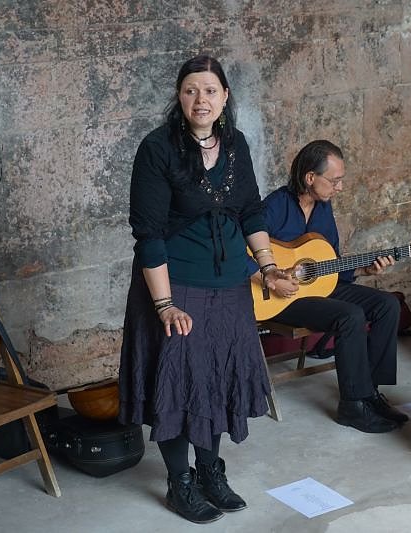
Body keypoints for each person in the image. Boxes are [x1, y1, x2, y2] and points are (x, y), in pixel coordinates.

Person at [118, 55, 289, 524]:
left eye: (210, 90)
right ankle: (180, 482)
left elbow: (251, 211)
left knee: (215, 380)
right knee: (178, 384)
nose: (201, 100)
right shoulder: (157, 149)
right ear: (179, 95)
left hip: (229, 285)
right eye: (192, 90)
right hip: (176, 285)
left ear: (225, 97)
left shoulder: (236, 145)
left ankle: (211, 470)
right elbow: (148, 232)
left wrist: (268, 268)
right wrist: (165, 304)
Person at [259, 140, 408, 434]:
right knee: (349, 315)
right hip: (282, 298)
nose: (339, 188)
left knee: (387, 304)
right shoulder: (274, 207)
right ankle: (352, 406)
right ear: (310, 178)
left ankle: (370, 394)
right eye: (335, 181)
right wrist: (271, 276)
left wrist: (363, 270)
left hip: (318, 289)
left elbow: (329, 265)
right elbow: (243, 247)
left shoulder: (323, 210)